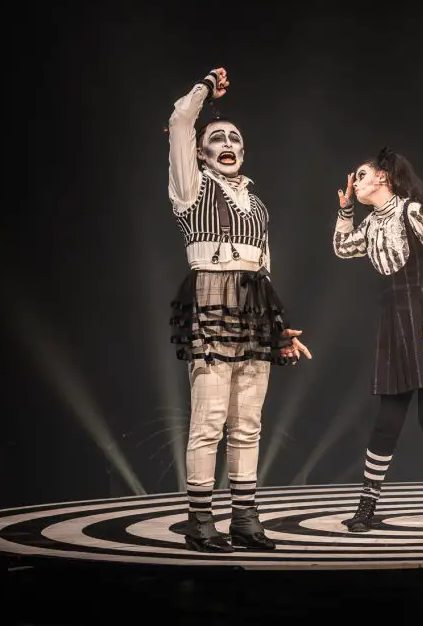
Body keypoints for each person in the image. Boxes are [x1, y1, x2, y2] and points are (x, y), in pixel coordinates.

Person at [167, 67, 312, 552]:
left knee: (247, 423)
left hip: (253, 307)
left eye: (234, 138)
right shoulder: (191, 188)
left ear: (244, 152)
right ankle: (199, 521)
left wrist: (279, 330)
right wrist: (206, 88)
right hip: (211, 298)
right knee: (209, 419)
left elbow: (265, 271)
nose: (227, 143)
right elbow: (181, 120)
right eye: (217, 137)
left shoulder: (257, 204)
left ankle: (245, 519)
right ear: (200, 152)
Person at [333, 147, 423, 531]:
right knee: (387, 422)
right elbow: (343, 249)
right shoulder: (370, 224)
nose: (355, 182)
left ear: (383, 176)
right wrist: (346, 211)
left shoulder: (414, 213)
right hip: (394, 325)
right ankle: (367, 507)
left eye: (361, 175)